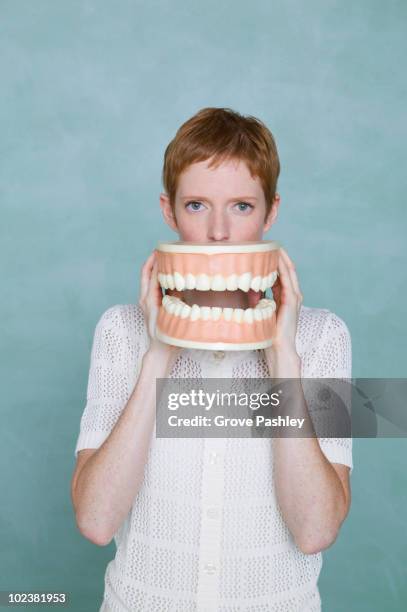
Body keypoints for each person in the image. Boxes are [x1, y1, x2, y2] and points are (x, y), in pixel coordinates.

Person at [71, 107, 353, 611]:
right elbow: (95, 521)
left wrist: (283, 358)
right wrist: (158, 355)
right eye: (198, 205)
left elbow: (315, 530)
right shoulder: (120, 332)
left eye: (241, 206)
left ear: (270, 213)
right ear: (169, 212)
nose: (218, 232)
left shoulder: (323, 338)